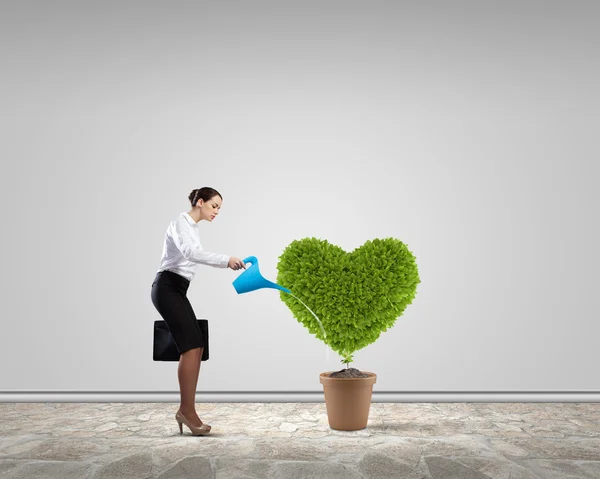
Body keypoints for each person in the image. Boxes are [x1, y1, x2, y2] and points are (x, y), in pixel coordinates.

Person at [151, 187, 245, 436]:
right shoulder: (180, 223)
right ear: (200, 202)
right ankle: (187, 411)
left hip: (177, 289)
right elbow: (191, 253)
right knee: (191, 346)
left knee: (198, 345)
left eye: (219, 209)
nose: (216, 212)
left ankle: (187, 410)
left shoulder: (192, 228)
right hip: (167, 287)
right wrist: (227, 259)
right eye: (214, 206)